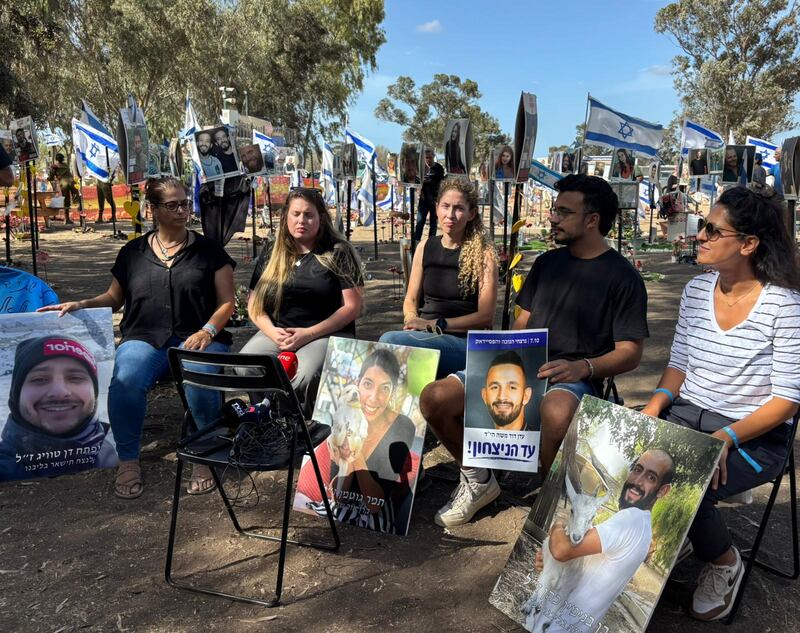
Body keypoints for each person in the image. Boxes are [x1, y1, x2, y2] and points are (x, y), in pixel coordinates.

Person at [420, 174, 648, 527]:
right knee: (434, 397)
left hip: (572, 378)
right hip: (522, 366)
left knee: (556, 410)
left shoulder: (624, 277)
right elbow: (520, 325)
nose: (552, 217)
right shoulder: (546, 264)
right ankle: (478, 479)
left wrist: (583, 368)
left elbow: (630, 353)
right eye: (554, 210)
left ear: (592, 220)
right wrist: (504, 357)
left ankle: (553, 501)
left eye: (563, 212)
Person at [641, 186, 800, 621]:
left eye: (712, 230)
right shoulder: (696, 289)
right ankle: (679, 533)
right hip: (686, 413)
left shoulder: (784, 306)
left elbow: (786, 401)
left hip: (754, 433)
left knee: (686, 483)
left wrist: (724, 437)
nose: (700, 236)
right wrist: (654, 406)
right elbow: (678, 366)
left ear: (748, 244)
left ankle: (724, 562)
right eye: (702, 227)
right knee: (623, 459)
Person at [38, 176, 235, 499]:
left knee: (201, 377)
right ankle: (128, 459)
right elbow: (114, 299)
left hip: (200, 337)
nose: (182, 210)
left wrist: (207, 331)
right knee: (126, 378)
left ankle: (205, 453)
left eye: (185, 203)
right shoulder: (132, 252)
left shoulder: (210, 251)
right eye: (172, 205)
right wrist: (82, 304)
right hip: (145, 336)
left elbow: (227, 302)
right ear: (152, 209)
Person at [531, 450, 674, 632]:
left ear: (663, 490)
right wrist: (550, 559)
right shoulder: (642, 528)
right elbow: (569, 559)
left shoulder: (630, 520)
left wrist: (559, 525)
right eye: (637, 469)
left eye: (651, 477)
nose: (637, 481)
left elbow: (561, 549)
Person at [244, 188, 363, 400]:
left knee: (305, 375)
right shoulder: (273, 250)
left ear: (321, 218)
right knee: (248, 365)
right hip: (278, 333)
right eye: (296, 214)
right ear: (285, 217)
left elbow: (352, 307)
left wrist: (307, 335)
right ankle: (267, 420)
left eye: (309, 215)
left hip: (325, 333)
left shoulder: (338, 251)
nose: (302, 220)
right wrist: (272, 332)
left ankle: (304, 428)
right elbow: (254, 303)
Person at [379, 178, 498, 379]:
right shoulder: (425, 246)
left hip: (462, 342)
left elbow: (485, 317)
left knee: (389, 340)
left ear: (472, 214)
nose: (450, 214)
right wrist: (411, 319)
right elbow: (411, 299)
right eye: (445, 206)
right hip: (424, 334)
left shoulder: (484, 255)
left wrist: (435, 324)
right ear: (436, 209)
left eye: (459, 208)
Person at [295, 349, 420, 533]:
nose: (373, 398)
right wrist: (345, 462)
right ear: (357, 384)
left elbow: (375, 505)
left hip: (377, 521)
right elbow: (340, 497)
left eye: (385, 388)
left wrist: (356, 454)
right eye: (368, 384)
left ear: (392, 392)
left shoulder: (402, 426)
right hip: (342, 510)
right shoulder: (344, 419)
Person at [0, 336, 119, 481]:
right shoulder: (4, 467)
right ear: (17, 395)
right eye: (39, 379)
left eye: (75, 378)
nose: (60, 393)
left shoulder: (115, 453)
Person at [480, 351, 532, 431]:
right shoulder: (476, 440)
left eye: (512, 387)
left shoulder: (540, 441)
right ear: (484, 396)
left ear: (526, 396)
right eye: (495, 387)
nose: (502, 397)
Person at [414, 148, 445, 241]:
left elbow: (442, 182)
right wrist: (420, 184)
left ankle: (431, 242)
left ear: (433, 157)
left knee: (433, 223)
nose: (428, 160)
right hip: (423, 199)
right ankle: (416, 242)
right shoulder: (421, 168)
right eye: (426, 158)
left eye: (430, 157)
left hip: (435, 200)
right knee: (420, 222)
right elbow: (415, 182)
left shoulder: (439, 168)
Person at [48, 153, 79, 224]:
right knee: (77, 200)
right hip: (72, 182)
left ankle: (67, 219)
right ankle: (81, 217)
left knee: (66, 201)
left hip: (64, 183)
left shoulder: (54, 166)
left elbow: (51, 178)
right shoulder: (66, 165)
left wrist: (48, 178)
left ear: (56, 159)